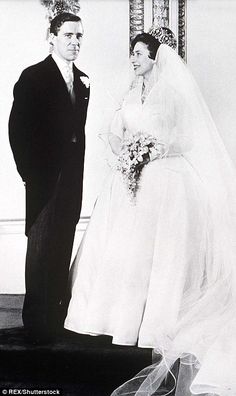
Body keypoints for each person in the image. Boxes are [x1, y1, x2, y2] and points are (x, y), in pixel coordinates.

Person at [65, 27, 236, 395]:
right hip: (127, 181)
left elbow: (187, 137)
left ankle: (154, 321)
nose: (134, 59)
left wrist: (153, 150)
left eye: (141, 53)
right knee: (123, 251)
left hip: (164, 180)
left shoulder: (172, 94)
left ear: (155, 58)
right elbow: (114, 129)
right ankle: (114, 319)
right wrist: (122, 150)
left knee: (159, 253)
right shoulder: (127, 92)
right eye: (132, 53)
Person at [9, 12, 90, 343]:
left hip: (72, 178)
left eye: (79, 36)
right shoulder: (34, 76)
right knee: (41, 247)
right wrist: (31, 174)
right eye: (68, 35)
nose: (75, 42)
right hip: (43, 180)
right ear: (52, 37)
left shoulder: (84, 79)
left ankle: (56, 317)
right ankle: (35, 322)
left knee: (63, 243)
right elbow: (18, 130)